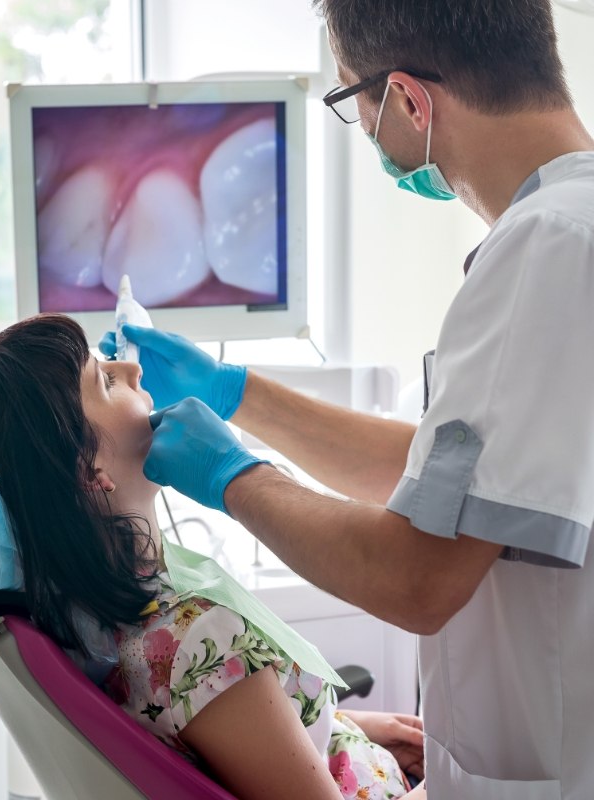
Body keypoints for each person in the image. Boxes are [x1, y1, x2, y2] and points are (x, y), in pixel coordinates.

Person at [99, 1, 594, 797]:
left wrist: (235, 477)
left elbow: (418, 579)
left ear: (407, 99)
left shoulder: (549, 249)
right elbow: (458, 485)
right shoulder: (566, 231)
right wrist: (237, 393)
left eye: (350, 103)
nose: (366, 134)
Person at [0, 313, 426, 800]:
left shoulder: (102, 628)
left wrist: (341, 729)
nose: (131, 369)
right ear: (87, 470)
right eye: (104, 378)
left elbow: (223, 739)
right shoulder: (196, 639)